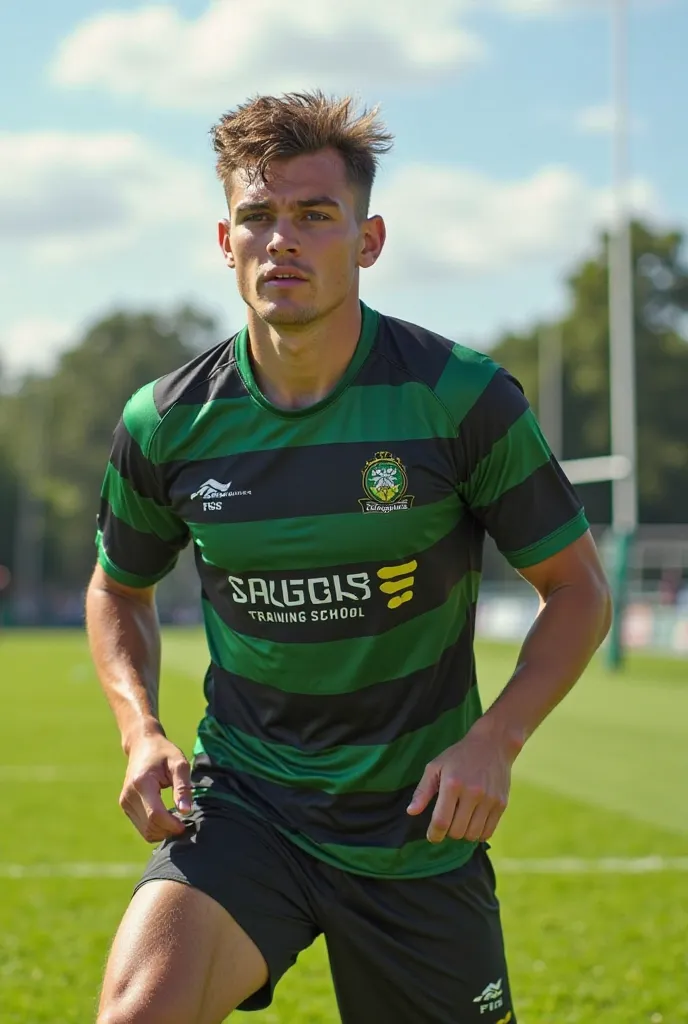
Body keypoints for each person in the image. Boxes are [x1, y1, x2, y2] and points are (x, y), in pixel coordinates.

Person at [86, 91, 612, 1024]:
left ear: (367, 241)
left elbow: (575, 590)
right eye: (258, 216)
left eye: (314, 216)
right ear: (224, 240)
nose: (281, 239)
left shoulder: (459, 397)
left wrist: (496, 739)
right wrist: (140, 727)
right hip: (247, 803)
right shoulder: (166, 421)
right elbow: (117, 588)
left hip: (417, 822)